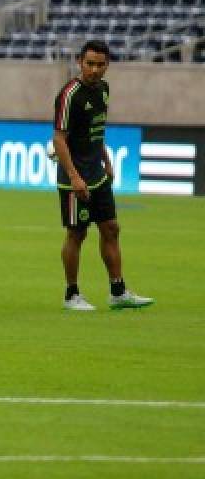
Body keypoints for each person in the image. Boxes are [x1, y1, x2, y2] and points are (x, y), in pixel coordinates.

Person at [53, 40, 154, 311]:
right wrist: (74, 176)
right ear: (79, 63)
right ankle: (71, 294)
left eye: (100, 65)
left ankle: (118, 291)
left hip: (97, 174)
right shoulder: (69, 94)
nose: (95, 70)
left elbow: (97, 131)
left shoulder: (103, 91)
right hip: (75, 177)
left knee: (111, 228)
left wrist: (106, 162)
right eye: (90, 64)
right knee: (77, 233)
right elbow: (59, 139)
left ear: (107, 65)